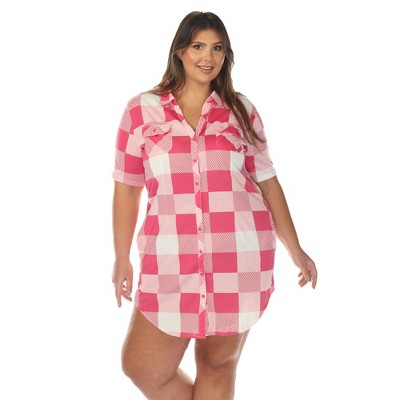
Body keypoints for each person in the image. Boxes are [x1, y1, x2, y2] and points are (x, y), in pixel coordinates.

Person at [111, 10, 317, 400]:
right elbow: (126, 188)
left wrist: (296, 250)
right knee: (140, 365)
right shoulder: (141, 111)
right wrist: (122, 257)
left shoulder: (241, 111)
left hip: (238, 257)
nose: (208, 57)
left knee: (217, 365)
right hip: (170, 260)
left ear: (226, 55)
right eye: (198, 46)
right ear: (180, 51)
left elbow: (267, 183)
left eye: (217, 48)